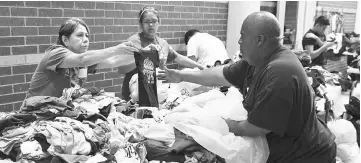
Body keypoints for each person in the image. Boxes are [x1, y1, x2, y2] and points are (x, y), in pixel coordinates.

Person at [158, 11, 337, 162]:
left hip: (306, 155)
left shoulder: (280, 72)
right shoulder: (255, 61)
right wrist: (180, 75)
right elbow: (219, 74)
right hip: (285, 151)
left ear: (259, 40)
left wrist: (220, 124)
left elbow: (255, 127)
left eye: (243, 36)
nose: (239, 41)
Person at [26, 17, 138, 99]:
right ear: (65, 40)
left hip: (59, 111)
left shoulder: (84, 59)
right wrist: (116, 49)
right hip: (36, 113)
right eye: (80, 35)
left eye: (87, 35)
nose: (85, 39)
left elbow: (114, 61)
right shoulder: (55, 53)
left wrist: (142, 54)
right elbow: (82, 59)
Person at [118, 7, 205, 106]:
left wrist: (200, 66)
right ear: (141, 24)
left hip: (158, 93)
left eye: (154, 21)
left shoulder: (162, 43)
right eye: (147, 22)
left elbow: (178, 57)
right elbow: (121, 69)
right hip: (135, 93)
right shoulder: (133, 41)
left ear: (159, 23)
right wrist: (143, 57)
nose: (151, 25)